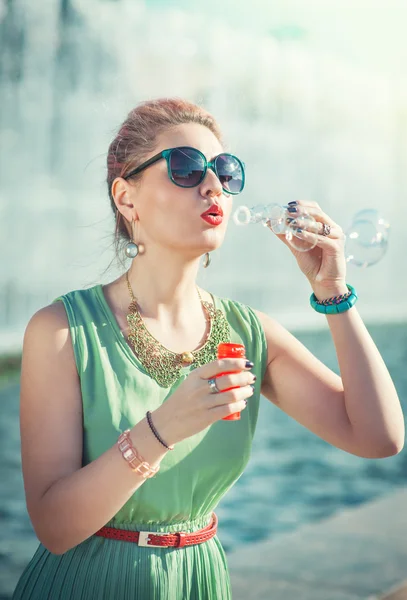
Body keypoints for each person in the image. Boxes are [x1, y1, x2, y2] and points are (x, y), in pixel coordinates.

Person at [12, 98, 404, 600]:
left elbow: (379, 438)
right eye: (185, 168)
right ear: (126, 198)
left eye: (224, 170)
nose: (212, 184)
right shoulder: (62, 331)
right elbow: (54, 527)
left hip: (201, 583)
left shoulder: (249, 331)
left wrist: (333, 292)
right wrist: (162, 430)